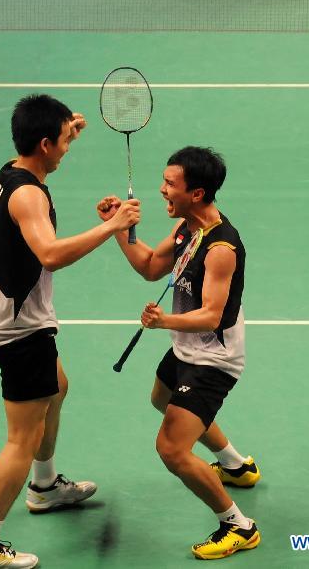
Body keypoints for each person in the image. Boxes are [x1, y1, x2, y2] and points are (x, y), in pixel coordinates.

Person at [0, 94, 140, 569]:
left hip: (13, 314)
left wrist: (66, 130)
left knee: (57, 387)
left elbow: (46, 152)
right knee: (20, 438)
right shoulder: (28, 195)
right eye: (62, 141)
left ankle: (44, 487)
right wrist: (114, 226)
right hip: (19, 327)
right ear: (42, 143)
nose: (66, 149)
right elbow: (51, 254)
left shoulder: (13, 171)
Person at [97, 146, 260, 561]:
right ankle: (236, 465)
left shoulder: (222, 247)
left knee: (171, 449)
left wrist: (163, 322)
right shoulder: (188, 227)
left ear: (198, 192)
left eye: (171, 184)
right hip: (186, 347)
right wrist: (118, 228)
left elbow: (212, 315)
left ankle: (237, 525)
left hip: (213, 359)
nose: (162, 190)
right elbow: (151, 265)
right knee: (161, 398)